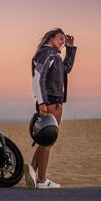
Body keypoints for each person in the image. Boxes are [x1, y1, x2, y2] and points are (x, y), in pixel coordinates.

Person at [24, 28, 77, 189]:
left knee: (45, 140)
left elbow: (66, 69)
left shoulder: (54, 56)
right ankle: (41, 180)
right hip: (50, 103)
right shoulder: (46, 53)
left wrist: (70, 48)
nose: (62, 41)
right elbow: (37, 79)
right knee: (48, 142)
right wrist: (42, 103)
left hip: (51, 102)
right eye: (60, 38)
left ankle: (33, 169)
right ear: (50, 38)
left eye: (63, 40)